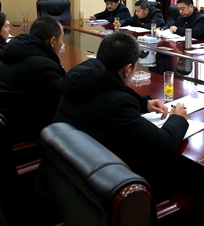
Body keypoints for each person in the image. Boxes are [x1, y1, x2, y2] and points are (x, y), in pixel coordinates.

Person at [53, 32, 188, 196]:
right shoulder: (119, 104)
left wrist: (144, 104)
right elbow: (166, 143)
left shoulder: (80, 77)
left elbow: (107, 91)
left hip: (65, 176)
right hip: (100, 189)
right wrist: (177, 118)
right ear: (128, 69)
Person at [0, 16, 65, 143]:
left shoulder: (17, 51)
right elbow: (64, 95)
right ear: (52, 41)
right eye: (62, 39)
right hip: (17, 133)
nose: (62, 43)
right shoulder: (42, 65)